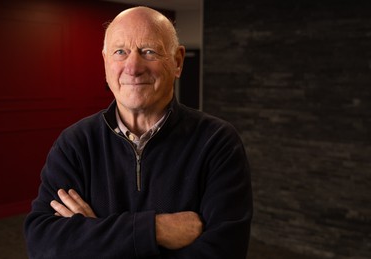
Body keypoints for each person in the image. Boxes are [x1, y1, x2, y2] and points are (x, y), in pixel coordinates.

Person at [24, 6, 253, 259]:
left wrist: (94, 236)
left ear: (177, 62)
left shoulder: (217, 142)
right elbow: (42, 243)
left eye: (149, 51)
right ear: (105, 63)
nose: (133, 67)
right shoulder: (75, 143)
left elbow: (223, 252)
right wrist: (155, 230)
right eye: (120, 52)